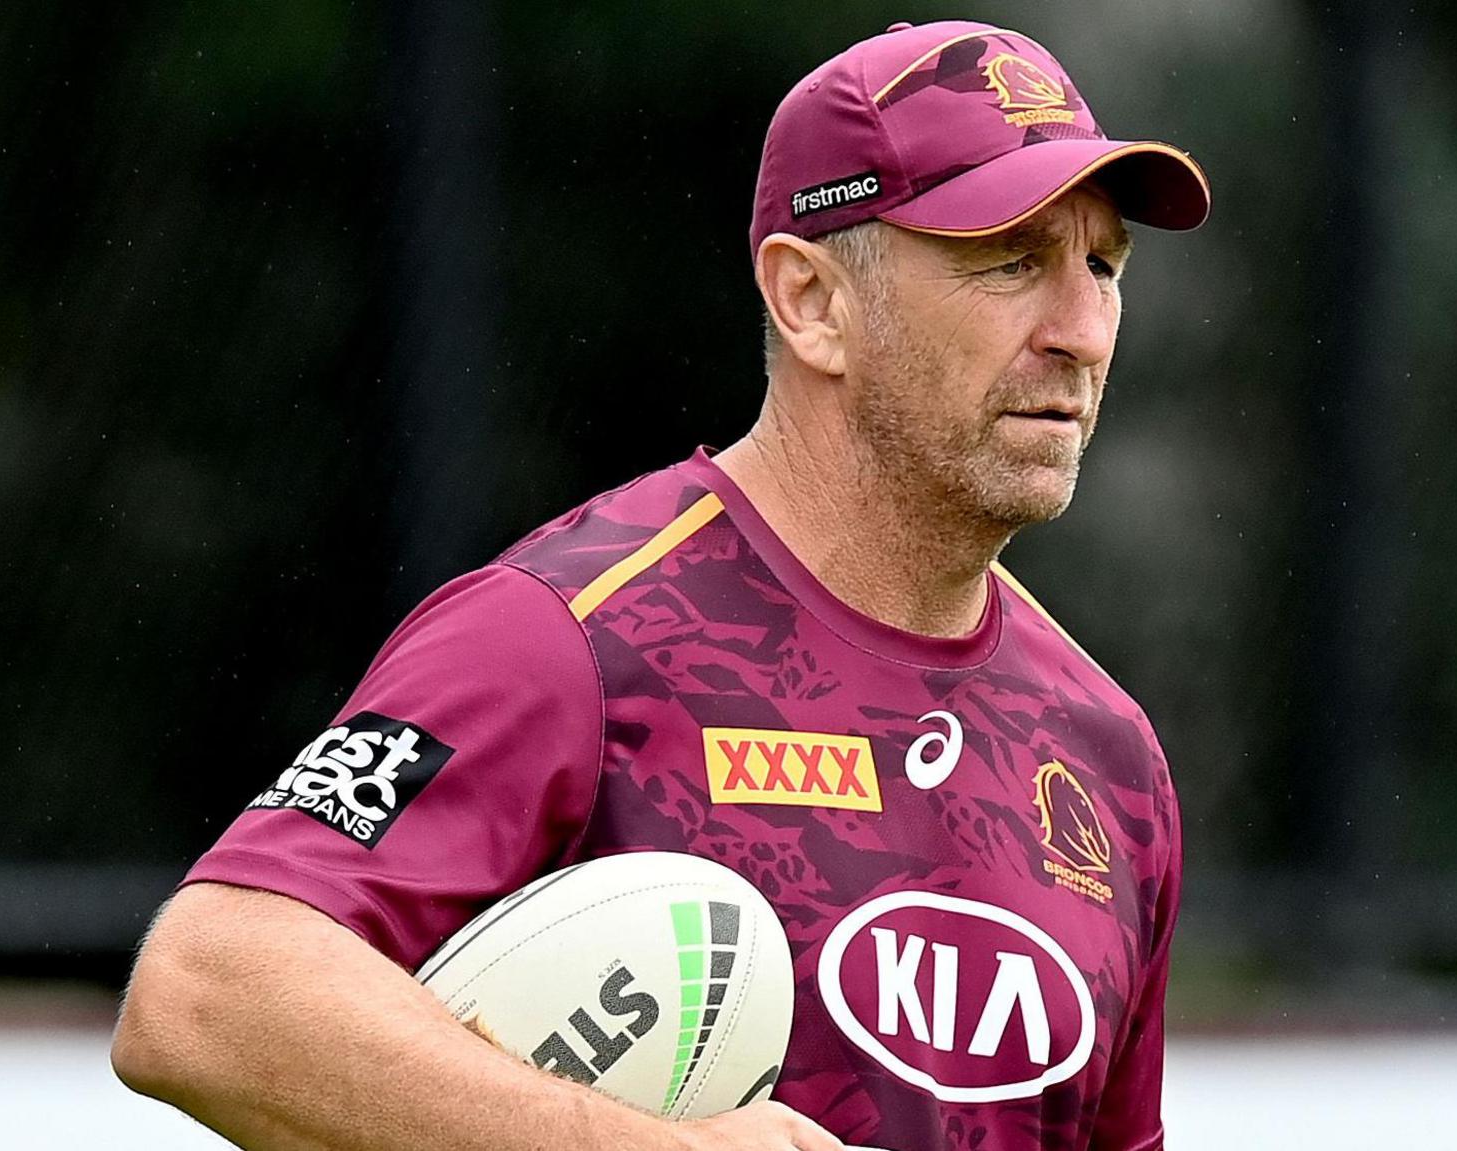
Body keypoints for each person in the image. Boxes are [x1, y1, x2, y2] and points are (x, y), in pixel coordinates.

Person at [112, 19, 1209, 1151]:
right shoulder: (567, 635)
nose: (1081, 330)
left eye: (1102, 265)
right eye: (1010, 260)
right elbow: (205, 996)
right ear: (812, 301)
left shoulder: (1105, 753)